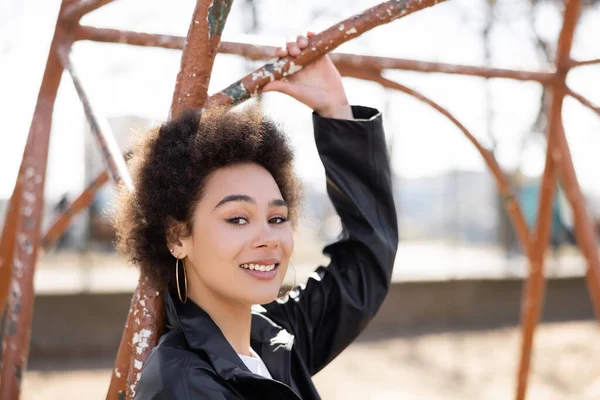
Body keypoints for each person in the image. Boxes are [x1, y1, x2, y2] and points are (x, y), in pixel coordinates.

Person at [114, 33, 398, 400]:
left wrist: (335, 109)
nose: (268, 237)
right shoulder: (183, 384)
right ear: (177, 237)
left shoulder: (273, 338)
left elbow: (366, 260)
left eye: (277, 218)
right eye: (237, 219)